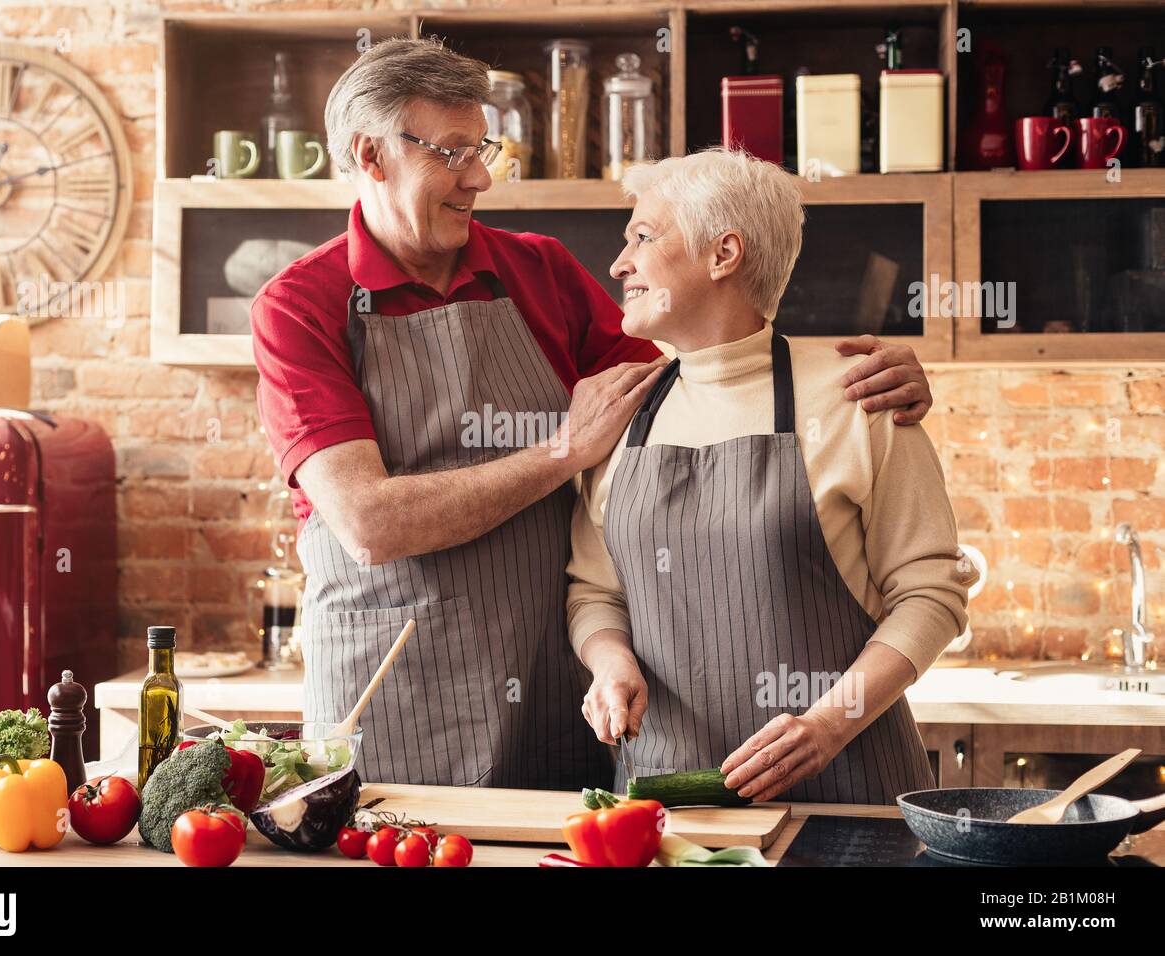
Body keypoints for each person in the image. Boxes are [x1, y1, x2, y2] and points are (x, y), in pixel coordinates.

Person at [252, 38, 938, 791]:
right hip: (390, 698)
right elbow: (369, 523)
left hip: (552, 692)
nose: (480, 176)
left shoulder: (539, 270)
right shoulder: (299, 308)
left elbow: (700, 364)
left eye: (482, 147)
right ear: (371, 156)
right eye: (452, 152)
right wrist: (559, 453)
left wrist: (852, 378)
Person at [570, 148, 978, 803]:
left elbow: (932, 595)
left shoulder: (860, 399)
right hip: (669, 799)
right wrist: (609, 659)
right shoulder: (619, 414)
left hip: (849, 792)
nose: (620, 264)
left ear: (722, 254)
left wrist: (826, 726)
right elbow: (595, 592)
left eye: (644, 238)